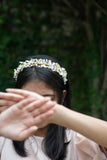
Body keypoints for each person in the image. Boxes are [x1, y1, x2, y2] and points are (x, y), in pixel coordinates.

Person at [0, 54, 107, 160]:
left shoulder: (80, 140)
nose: (36, 107)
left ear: (62, 96)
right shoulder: (4, 138)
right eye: (28, 99)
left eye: (46, 100)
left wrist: (57, 113)